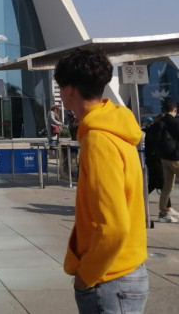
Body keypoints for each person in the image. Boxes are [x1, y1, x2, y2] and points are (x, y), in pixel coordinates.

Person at [54, 49, 148, 313]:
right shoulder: (118, 126)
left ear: (71, 90)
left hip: (110, 277)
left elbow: (113, 226)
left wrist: (87, 276)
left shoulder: (98, 139)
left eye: (61, 87)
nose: (61, 93)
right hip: (127, 267)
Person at [156, 98, 179, 223]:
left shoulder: (159, 121)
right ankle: (165, 212)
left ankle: (163, 213)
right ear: (174, 110)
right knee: (168, 186)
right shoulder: (174, 122)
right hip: (175, 157)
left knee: (167, 187)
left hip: (163, 158)